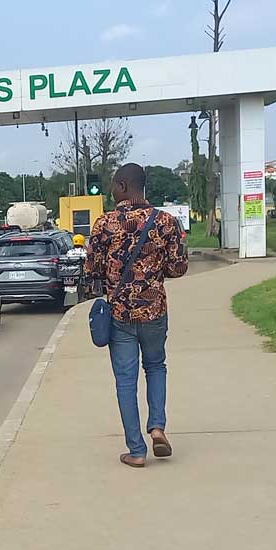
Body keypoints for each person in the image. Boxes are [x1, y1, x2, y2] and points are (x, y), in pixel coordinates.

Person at [84, 163, 189, 469]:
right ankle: (157, 426)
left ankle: (137, 450)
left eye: (113, 185)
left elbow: (91, 271)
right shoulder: (166, 222)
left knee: (126, 381)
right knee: (156, 366)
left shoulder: (105, 224)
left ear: (123, 186)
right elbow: (178, 268)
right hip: (155, 311)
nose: (111, 190)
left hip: (120, 315)